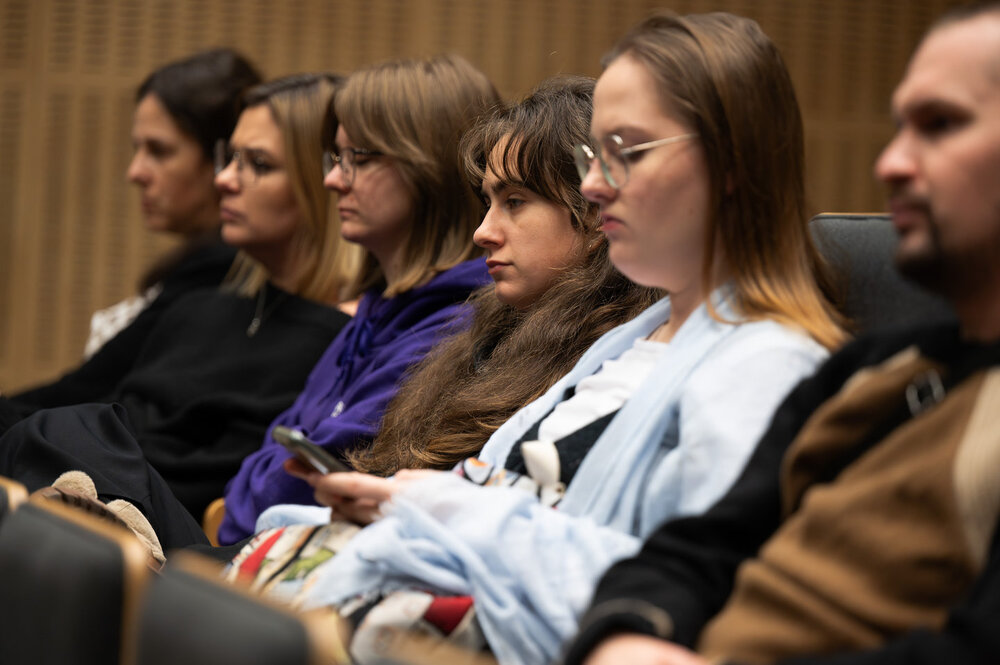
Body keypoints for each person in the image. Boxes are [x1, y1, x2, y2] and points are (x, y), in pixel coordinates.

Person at [225, 12, 846, 665]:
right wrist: (405, 504)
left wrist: (435, 505)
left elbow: (681, 594)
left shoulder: (767, 366)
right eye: (592, 156)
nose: (594, 186)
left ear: (730, 162)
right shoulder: (636, 337)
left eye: (626, 152)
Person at [563, 6, 1000, 665]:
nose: (890, 163)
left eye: (941, 124)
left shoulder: (776, 359)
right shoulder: (873, 370)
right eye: (899, 128)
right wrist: (628, 633)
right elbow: (700, 549)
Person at [0, 74, 359, 545]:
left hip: (171, 543)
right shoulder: (200, 307)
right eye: (229, 158)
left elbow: (214, 487)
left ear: (323, 183)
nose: (224, 179)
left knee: (66, 427)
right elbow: (103, 413)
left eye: (258, 164)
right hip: (87, 505)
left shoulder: (340, 341)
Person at [214, 54, 499, 544]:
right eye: (336, 158)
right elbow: (273, 451)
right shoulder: (376, 311)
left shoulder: (455, 327)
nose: (333, 180)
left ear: (429, 168)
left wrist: (242, 509)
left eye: (359, 160)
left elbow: (300, 485)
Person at [350, 75, 659, 476]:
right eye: (488, 203)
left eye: (514, 202)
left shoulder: (617, 362)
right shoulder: (488, 335)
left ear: (596, 213)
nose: (483, 233)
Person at [9, 49, 262, 408]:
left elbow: (86, 393)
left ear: (221, 160)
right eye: (137, 149)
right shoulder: (202, 263)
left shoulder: (222, 268)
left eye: (158, 151)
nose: (135, 172)